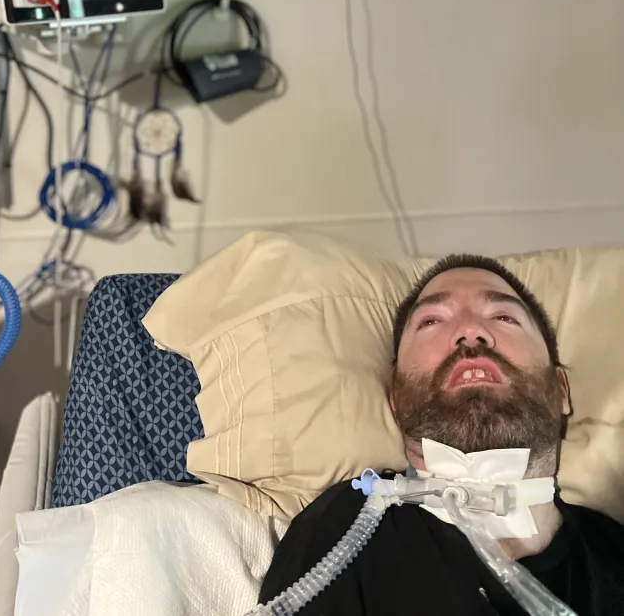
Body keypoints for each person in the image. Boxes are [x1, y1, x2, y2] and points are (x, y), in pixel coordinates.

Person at [259, 254, 624, 615]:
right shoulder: (346, 528)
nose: (470, 331)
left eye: (503, 317)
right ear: (396, 399)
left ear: (561, 389)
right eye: (432, 320)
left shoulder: (615, 552)